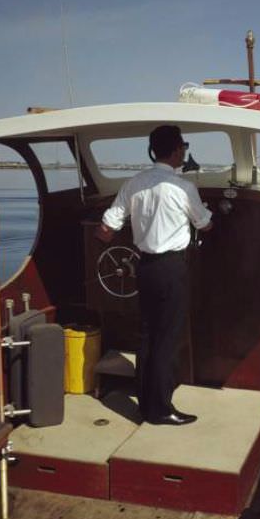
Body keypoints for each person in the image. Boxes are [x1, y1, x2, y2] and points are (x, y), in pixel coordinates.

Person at [95, 125, 213, 425]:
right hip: (171, 268)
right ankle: (160, 409)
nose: (184, 151)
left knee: (147, 336)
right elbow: (205, 224)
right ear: (176, 150)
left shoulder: (134, 183)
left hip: (143, 267)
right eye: (183, 147)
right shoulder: (184, 187)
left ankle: (145, 402)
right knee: (167, 339)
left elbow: (106, 230)